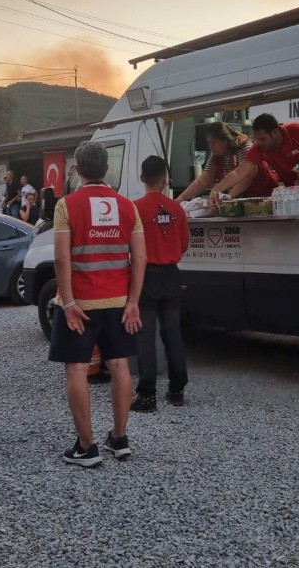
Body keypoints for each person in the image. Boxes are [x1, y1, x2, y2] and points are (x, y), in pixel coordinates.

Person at [49, 141, 147, 467]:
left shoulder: (66, 205)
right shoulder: (127, 206)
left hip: (80, 303)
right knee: (119, 365)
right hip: (119, 301)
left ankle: (86, 447)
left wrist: (68, 303)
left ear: (77, 170)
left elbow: (61, 258)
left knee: (77, 369)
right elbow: (140, 258)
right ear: (107, 169)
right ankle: (119, 438)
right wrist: (133, 302)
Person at [131, 156, 189, 412]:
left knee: (145, 335)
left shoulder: (135, 209)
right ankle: (177, 390)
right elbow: (183, 245)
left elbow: (129, 247)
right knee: (172, 332)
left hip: (146, 276)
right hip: (172, 276)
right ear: (165, 179)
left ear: (142, 177)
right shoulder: (177, 209)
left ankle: (147, 395)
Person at [211, 113, 299, 205]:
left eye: (263, 139)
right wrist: (216, 190)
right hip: (297, 197)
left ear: (275, 132)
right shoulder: (259, 147)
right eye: (257, 139)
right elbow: (239, 173)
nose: (259, 143)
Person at [176, 121, 277, 203]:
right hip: (240, 203)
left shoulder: (245, 147)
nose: (210, 147)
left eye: (213, 143)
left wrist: (226, 198)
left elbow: (247, 178)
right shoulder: (216, 156)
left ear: (226, 140)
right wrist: (181, 198)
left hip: (265, 199)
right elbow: (202, 181)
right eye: (209, 143)